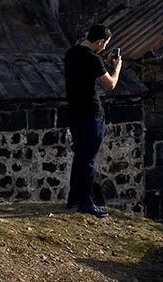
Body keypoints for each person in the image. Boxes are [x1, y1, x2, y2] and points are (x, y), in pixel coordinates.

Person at [64, 24, 121, 218]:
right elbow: (111, 84)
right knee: (88, 159)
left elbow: (83, 71)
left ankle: (74, 198)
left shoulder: (71, 54)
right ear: (99, 41)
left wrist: (101, 62)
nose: (104, 47)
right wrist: (116, 68)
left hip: (75, 113)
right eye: (104, 44)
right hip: (91, 112)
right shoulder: (93, 60)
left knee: (79, 156)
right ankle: (86, 202)